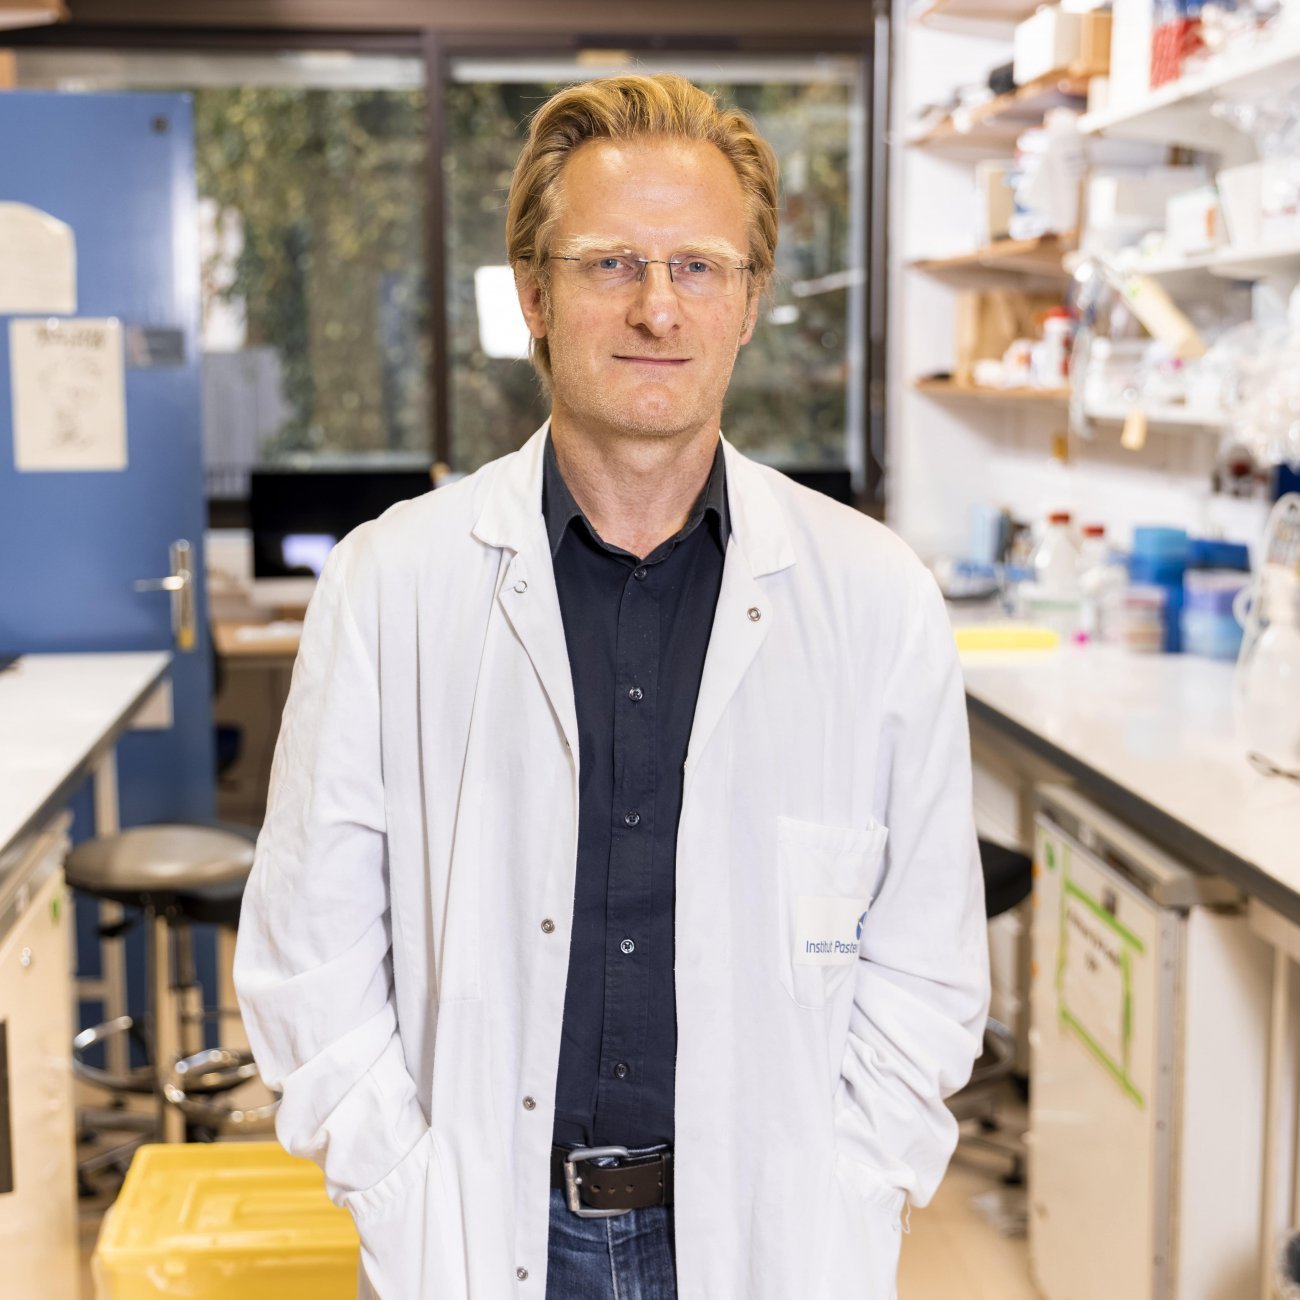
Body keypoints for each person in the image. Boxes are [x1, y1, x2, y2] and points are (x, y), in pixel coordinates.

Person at [234, 72, 989, 1300]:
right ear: (534, 294)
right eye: (609, 264)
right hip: (476, 1225)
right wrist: (395, 1182)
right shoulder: (389, 580)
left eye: (699, 266)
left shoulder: (873, 594)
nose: (657, 305)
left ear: (749, 300)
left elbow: (929, 963)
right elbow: (306, 949)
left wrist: (856, 1175)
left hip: (773, 1229)